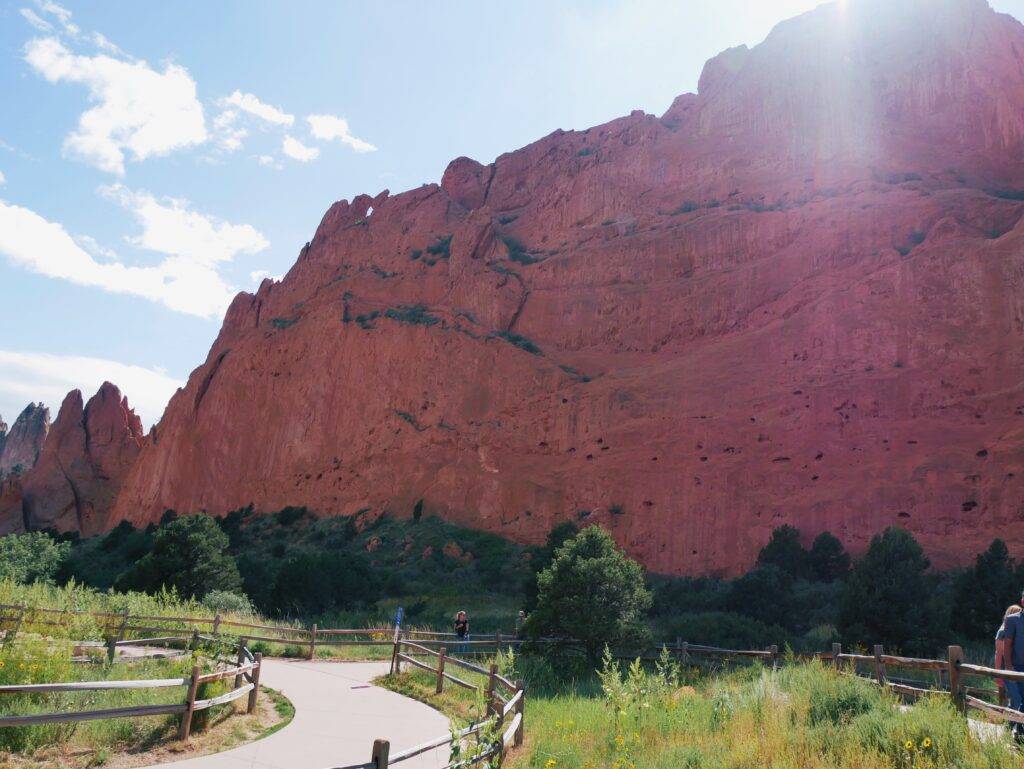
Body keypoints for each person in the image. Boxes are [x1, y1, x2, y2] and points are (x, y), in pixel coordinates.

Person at [997, 603, 1024, 735]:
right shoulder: (1008, 624)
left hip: (1017, 667)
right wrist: (1003, 671)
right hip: (1012, 667)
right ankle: (1015, 727)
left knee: (1018, 700)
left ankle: (1015, 727)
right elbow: (1001, 650)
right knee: (1017, 699)